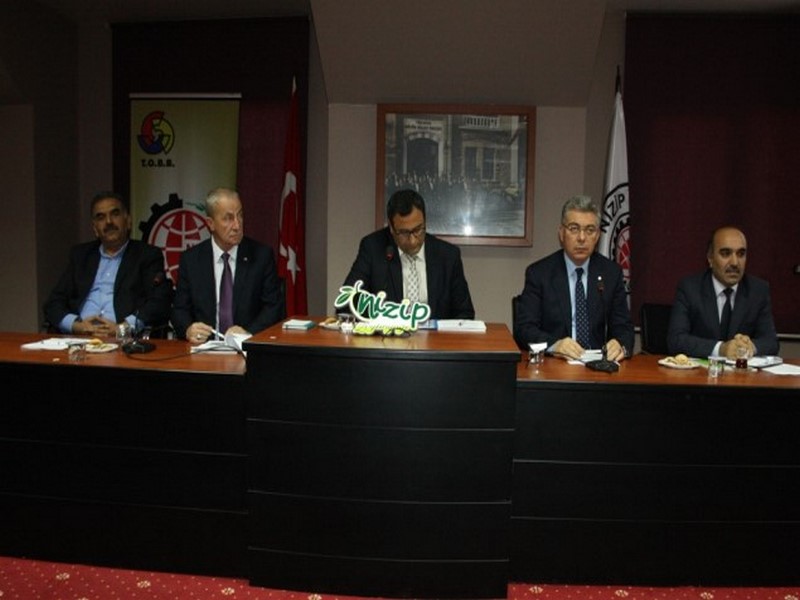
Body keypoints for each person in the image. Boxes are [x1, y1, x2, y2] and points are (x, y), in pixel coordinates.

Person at [513, 195, 634, 361]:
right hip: (555, 365)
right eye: (574, 229)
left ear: (597, 236)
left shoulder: (611, 273)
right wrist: (555, 345)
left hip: (598, 367)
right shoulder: (540, 274)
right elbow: (524, 329)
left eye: (589, 230)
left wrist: (619, 344)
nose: (582, 238)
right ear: (561, 233)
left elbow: (625, 329)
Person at [43, 191, 173, 337]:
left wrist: (122, 329)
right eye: (101, 217)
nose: (109, 222)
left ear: (128, 221)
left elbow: (159, 301)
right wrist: (75, 326)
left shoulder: (146, 255)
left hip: (123, 341)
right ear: (95, 228)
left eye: (115, 214)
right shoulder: (80, 256)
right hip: (79, 339)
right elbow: (53, 303)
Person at [171, 187, 284, 344]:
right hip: (205, 349)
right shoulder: (191, 260)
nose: (237, 225)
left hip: (247, 349)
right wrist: (188, 329)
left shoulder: (261, 256)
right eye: (228, 218)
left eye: (240, 215)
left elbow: (274, 308)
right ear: (210, 224)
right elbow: (179, 310)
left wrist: (249, 333)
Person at [342, 188, 475, 319]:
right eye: (404, 233)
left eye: (418, 230)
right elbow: (347, 304)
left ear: (425, 221)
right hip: (387, 333)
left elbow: (465, 314)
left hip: (434, 334)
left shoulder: (448, 256)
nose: (412, 241)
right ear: (391, 228)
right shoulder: (373, 249)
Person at [666, 226, 779, 359]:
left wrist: (750, 347)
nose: (735, 263)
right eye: (726, 253)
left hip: (742, 371)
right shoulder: (690, 288)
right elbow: (676, 340)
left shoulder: (758, 290)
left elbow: (771, 342)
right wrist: (721, 349)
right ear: (710, 258)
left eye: (741, 254)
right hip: (702, 371)